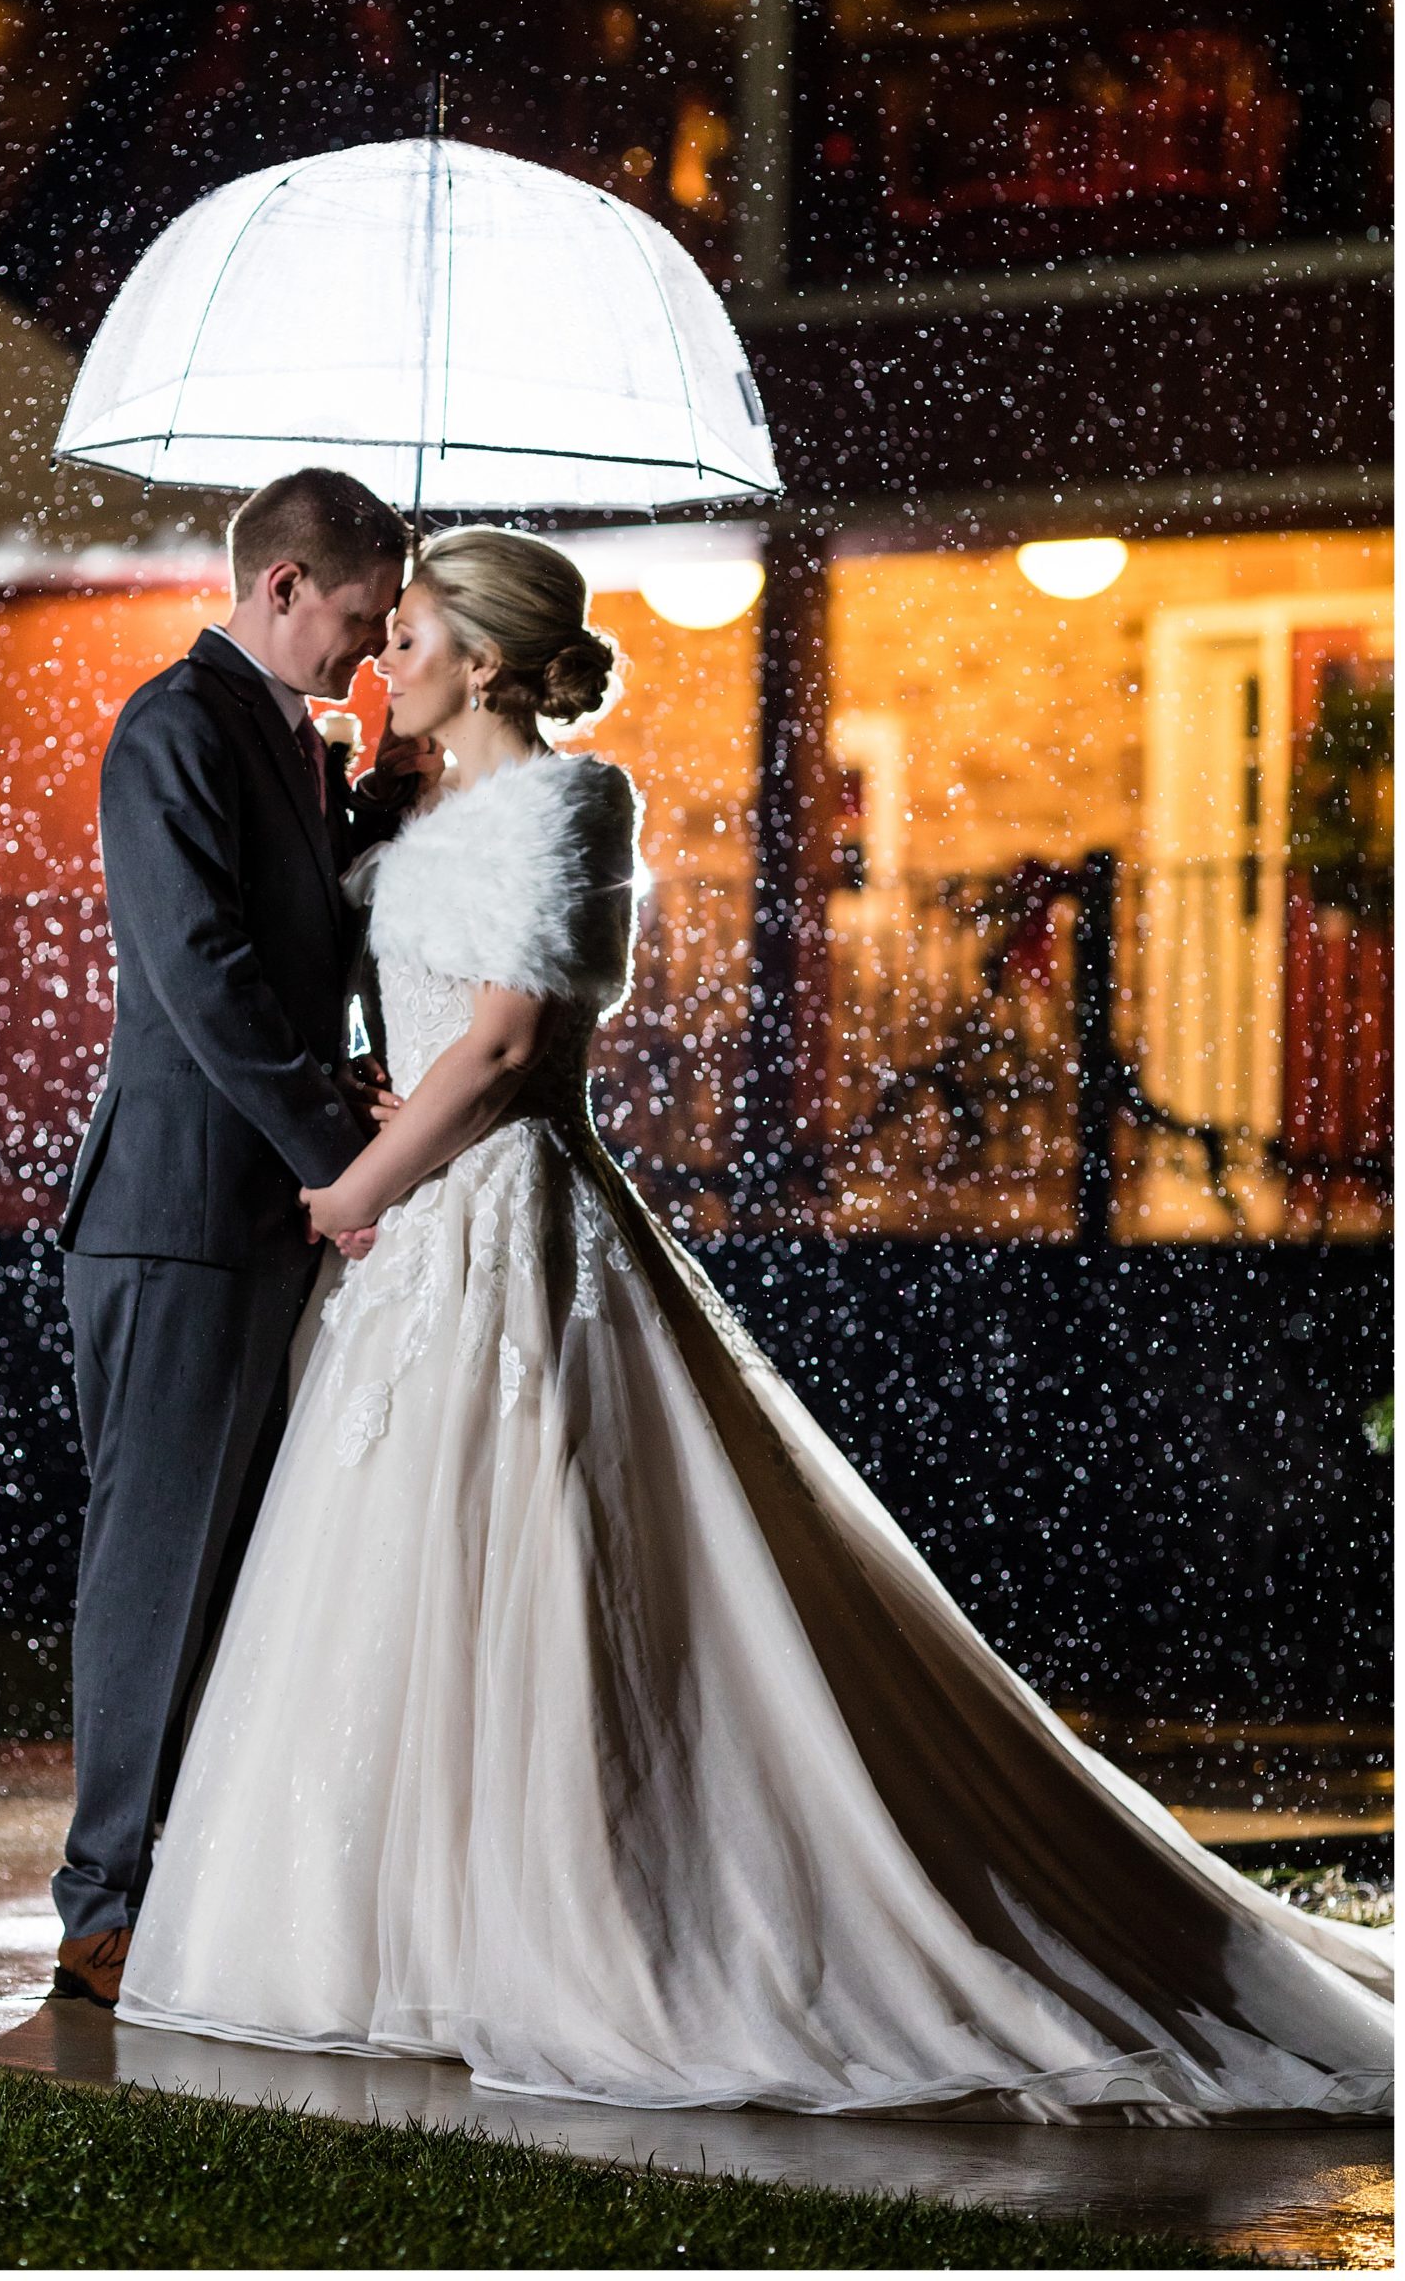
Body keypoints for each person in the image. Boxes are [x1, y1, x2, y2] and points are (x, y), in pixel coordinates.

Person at [113, 525, 1392, 2120]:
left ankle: (604, 1914)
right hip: (414, 1237)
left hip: (498, 1218)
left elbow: (506, 1048)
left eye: (418, 633)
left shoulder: (571, 803)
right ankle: (385, 1936)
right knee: (393, 1576)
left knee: (544, 1564)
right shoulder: (410, 796)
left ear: (491, 663)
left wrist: (346, 1179)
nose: (389, 657)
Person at [50, 466, 422, 2006]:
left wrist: (389, 789)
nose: (368, 647)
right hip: (177, 1219)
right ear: (280, 585)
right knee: (156, 1565)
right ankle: (104, 1904)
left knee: (234, 1567)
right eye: (355, 617)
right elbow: (204, 980)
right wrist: (354, 1160)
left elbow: (306, 952)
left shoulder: (295, 743)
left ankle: (181, 1882)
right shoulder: (173, 729)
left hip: (257, 1210)